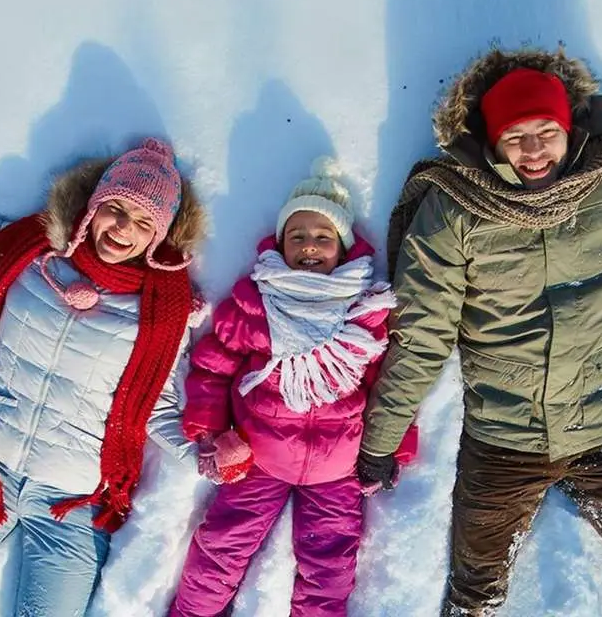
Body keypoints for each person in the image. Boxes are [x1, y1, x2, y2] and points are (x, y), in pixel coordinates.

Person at [356, 47, 602, 616]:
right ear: (491, 140)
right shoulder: (455, 211)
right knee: (473, 593)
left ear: (569, 128)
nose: (534, 151)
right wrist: (381, 440)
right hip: (505, 438)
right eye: (516, 136)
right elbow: (423, 336)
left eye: (546, 131)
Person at [0, 138, 205, 616]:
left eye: (142, 223)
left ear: (158, 236)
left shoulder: (161, 313)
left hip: (69, 503)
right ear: (92, 207)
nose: (122, 229)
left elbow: (157, 407)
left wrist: (205, 456)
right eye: (115, 209)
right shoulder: (28, 251)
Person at [170, 158, 417, 617]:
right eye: (297, 236)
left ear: (342, 248)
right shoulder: (254, 303)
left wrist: (392, 448)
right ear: (280, 244)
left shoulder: (364, 313)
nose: (309, 246)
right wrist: (209, 430)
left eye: (322, 237)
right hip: (257, 456)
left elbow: (388, 387)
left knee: (329, 566)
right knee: (222, 545)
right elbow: (212, 369)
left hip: (338, 469)